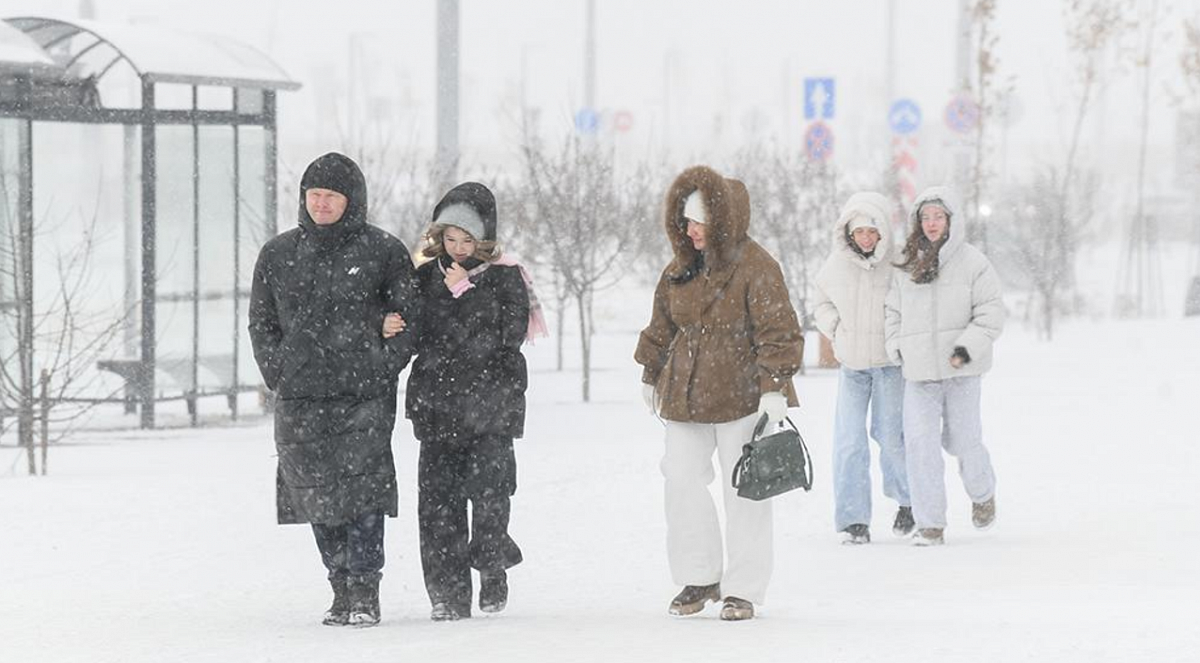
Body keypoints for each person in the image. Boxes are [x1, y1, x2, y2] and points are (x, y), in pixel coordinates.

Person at [248, 152, 418, 627]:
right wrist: (278, 371)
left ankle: (364, 588)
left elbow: (408, 319)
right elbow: (261, 322)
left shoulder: (384, 252)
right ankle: (338, 584)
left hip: (363, 394)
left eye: (332, 196)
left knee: (362, 493)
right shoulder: (278, 254)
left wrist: (380, 365)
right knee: (314, 493)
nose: (322, 204)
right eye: (314, 195)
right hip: (300, 395)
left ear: (352, 200)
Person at [635, 165, 804, 621]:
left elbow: (780, 333)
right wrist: (650, 372)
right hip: (684, 398)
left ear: (722, 222)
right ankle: (699, 575)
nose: (690, 232)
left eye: (698, 223)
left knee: (747, 491)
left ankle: (743, 588)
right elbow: (662, 324)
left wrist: (775, 390)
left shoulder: (758, 267)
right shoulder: (680, 268)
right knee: (681, 482)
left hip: (743, 398)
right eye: (685, 222)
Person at [390, 181, 546, 621]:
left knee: (491, 498)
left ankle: (492, 565)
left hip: (491, 410)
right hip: (437, 409)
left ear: (485, 240)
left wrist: (467, 293)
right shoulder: (423, 279)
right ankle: (447, 594)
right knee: (438, 506)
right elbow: (416, 334)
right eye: (450, 238)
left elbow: (506, 336)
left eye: (467, 240)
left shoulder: (505, 277)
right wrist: (389, 323)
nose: (457, 249)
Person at [884, 186, 1005, 546]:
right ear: (917, 223)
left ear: (951, 221)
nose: (932, 223)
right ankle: (930, 524)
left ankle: (982, 494)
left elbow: (990, 314)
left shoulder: (973, 263)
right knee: (920, 445)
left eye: (938, 216)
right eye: (926, 217)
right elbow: (893, 312)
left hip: (961, 371)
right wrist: (897, 347)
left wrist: (965, 349)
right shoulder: (906, 266)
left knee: (964, 441)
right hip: (919, 374)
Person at [813, 192, 913, 545]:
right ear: (849, 234)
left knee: (891, 437)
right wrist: (836, 329)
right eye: (860, 233)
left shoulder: (898, 263)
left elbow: (913, 302)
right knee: (849, 441)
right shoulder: (836, 265)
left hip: (889, 367)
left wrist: (899, 339)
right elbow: (820, 302)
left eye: (872, 232)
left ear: (882, 232)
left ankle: (907, 502)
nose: (866, 239)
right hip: (852, 367)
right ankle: (854, 520)